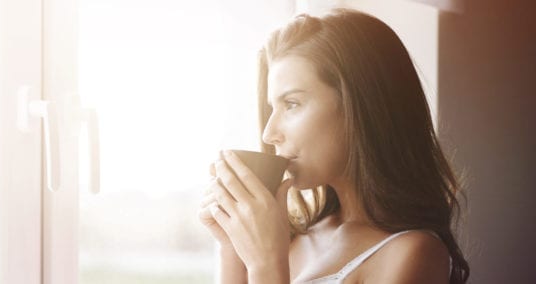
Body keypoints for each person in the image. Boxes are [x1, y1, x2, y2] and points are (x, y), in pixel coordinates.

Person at [198, 8, 470, 283]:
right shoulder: (289, 238)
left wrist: (267, 264)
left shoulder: (414, 253)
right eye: (273, 108)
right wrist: (231, 248)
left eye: (291, 104)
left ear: (360, 106)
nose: (270, 133)